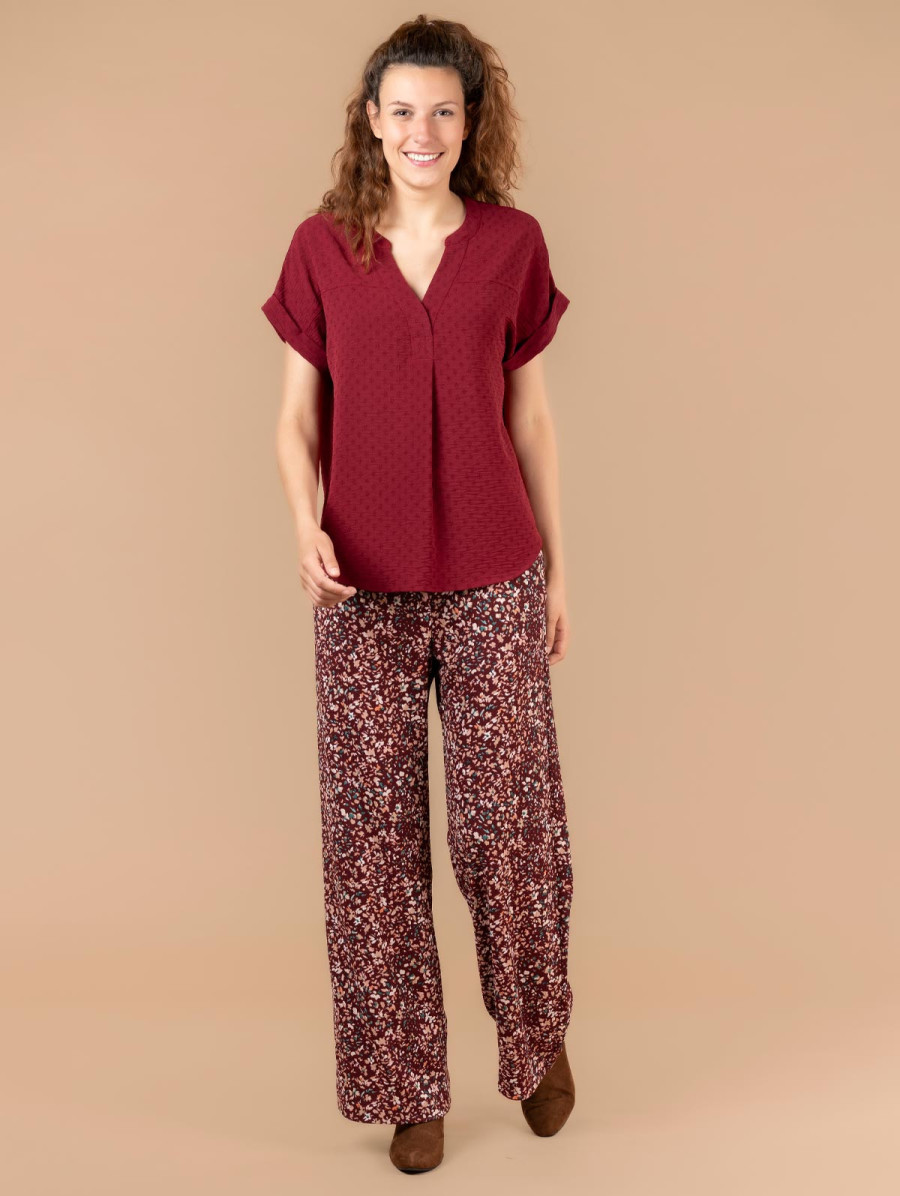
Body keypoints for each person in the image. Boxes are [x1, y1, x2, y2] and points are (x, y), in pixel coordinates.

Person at [260, 15, 576, 1173]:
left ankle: (537, 1037)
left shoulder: (513, 244)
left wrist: (559, 568)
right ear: (371, 121)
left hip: (495, 575)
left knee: (509, 828)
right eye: (401, 111)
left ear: (471, 121)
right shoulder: (321, 249)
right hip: (362, 590)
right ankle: (408, 1088)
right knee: (371, 840)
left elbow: (531, 416)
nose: (421, 131)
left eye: (443, 109)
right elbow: (295, 421)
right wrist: (304, 522)